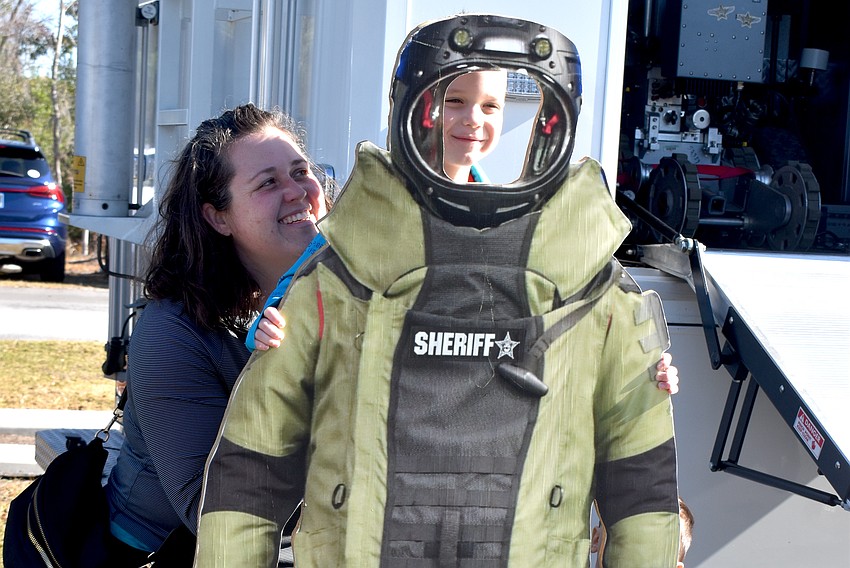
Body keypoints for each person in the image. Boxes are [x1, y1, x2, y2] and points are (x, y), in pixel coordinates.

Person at [197, 13, 680, 567]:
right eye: (454, 100)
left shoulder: (576, 276)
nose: (472, 120)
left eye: (491, 106)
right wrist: (272, 324)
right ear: (418, 106)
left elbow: (640, 479)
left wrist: (646, 368)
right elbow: (250, 471)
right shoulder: (350, 258)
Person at [103, 103, 328, 564]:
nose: (298, 192)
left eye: (300, 171)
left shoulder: (334, 295)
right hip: (161, 551)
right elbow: (207, 512)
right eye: (268, 182)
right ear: (218, 217)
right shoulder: (172, 333)